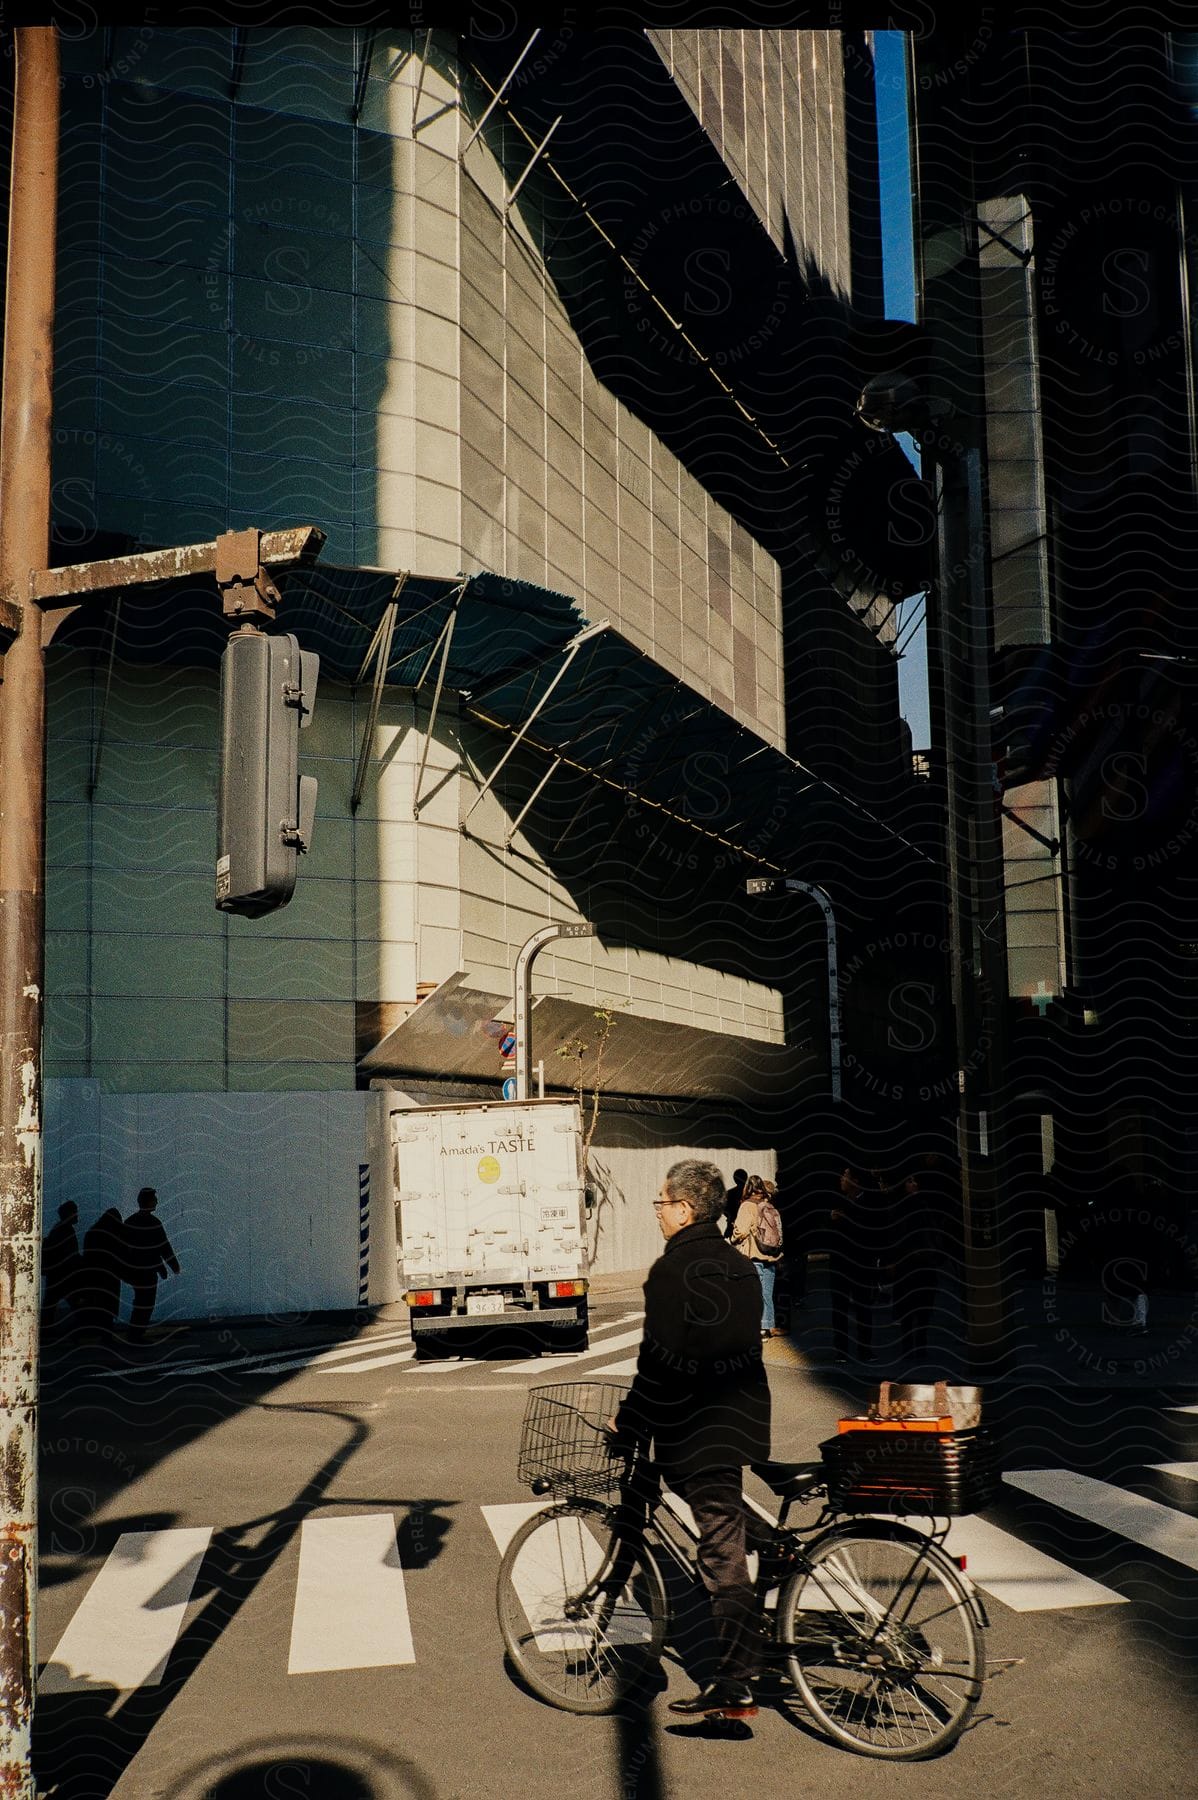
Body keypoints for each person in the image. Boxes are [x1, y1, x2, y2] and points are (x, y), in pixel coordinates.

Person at [612, 1159, 771, 1721]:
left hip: (700, 1429)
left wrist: (631, 1419)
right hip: (740, 1420)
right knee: (710, 1506)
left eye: (661, 1203)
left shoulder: (673, 1269)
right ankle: (770, 1549)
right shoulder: (737, 1264)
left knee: (719, 1551)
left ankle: (734, 1682)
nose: (656, 1212)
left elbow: (658, 1362)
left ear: (683, 1209)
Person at [121, 1187, 181, 1341]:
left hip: (134, 1270)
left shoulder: (130, 1222)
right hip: (148, 1271)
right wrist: (172, 1265)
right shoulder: (154, 1223)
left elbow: (122, 1246)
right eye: (154, 1199)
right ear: (148, 1201)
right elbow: (163, 1247)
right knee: (146, 1302)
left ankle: (135, 1332)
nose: (157, 1201)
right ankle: (136, 1333)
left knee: (141, 1300)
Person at [730, 1174, 785, 1337]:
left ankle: (758, 1328)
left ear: (748, 1188)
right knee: (767, 1293)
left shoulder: (747, 1206)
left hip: (754, 1254)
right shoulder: (768, 1204)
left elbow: (741, 1230)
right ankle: (766, 1326)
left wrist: (734, 1237)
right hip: (771, 1255)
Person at [78, 1208, 126, 1336]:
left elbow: (88, 1255)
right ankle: (106, 1333)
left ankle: (92, 1331)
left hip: (94, 1275)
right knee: (109, 1305)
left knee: (96, 1304)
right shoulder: (112, 1234)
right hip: (109, 1276)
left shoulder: (93, 1232)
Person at [42, 1202, 81, 1327]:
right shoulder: (66, 1230)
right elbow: (69, 1254)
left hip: (57, 1274)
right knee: (75, 1301)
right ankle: (83, 1329)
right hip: (64, 1275)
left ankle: (45, 1331)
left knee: (50, 1303)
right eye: (75, 1212)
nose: (77, 1215)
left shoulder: (58, 1229)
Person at [723, 1168, 749, 1239]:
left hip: (733, 1225)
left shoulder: (729, 1193)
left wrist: (730, 1217)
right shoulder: (751, 1192)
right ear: (746, 1178)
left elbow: (724, 1209)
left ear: (735, 1179)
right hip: (749, 1225)